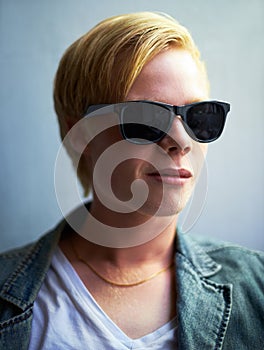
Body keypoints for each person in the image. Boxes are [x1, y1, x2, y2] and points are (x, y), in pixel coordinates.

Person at [0, 11, 263, 350]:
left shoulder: (256, 287)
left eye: (200, 116)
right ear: (78, 133)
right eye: (145, 116)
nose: (181, 141)